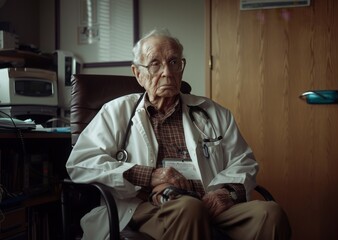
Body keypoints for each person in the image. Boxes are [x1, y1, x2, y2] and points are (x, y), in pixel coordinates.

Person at [66, 29, 291, 240]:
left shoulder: (213, 112)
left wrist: (227, 192)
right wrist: (149, 175)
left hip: (210, 202)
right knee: (189, 208)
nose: (167, 72)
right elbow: (81, 163)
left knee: (270, 214)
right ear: (138, 73)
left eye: (174, 62)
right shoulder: (116, 112)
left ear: (182, 67)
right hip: (147, 208)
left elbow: (243, 162)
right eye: (155, 64)